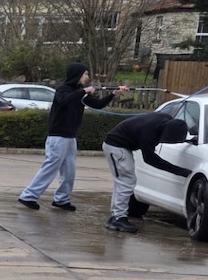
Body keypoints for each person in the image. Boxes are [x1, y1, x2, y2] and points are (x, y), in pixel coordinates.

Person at [18, 63, 128, 211]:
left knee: (69, 170)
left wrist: (113, 94)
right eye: (85, 74)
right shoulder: (63, 90)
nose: (87, 77)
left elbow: (97, 104)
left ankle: (62, 199)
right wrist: (83, 91)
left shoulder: (79, 93)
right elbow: (65, 100)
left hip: (70, 137)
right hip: (58, 136)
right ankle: (28, 196)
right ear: (77, 75)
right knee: (50, 167)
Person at [101, 111, 190, 233]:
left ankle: (116, 216)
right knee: (126, 181)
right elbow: (150, 159)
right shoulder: (148, 135)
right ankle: (118, 218)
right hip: (116, 147)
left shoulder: (165, 118)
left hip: (121, 145)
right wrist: (179, 171)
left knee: (122, 181)